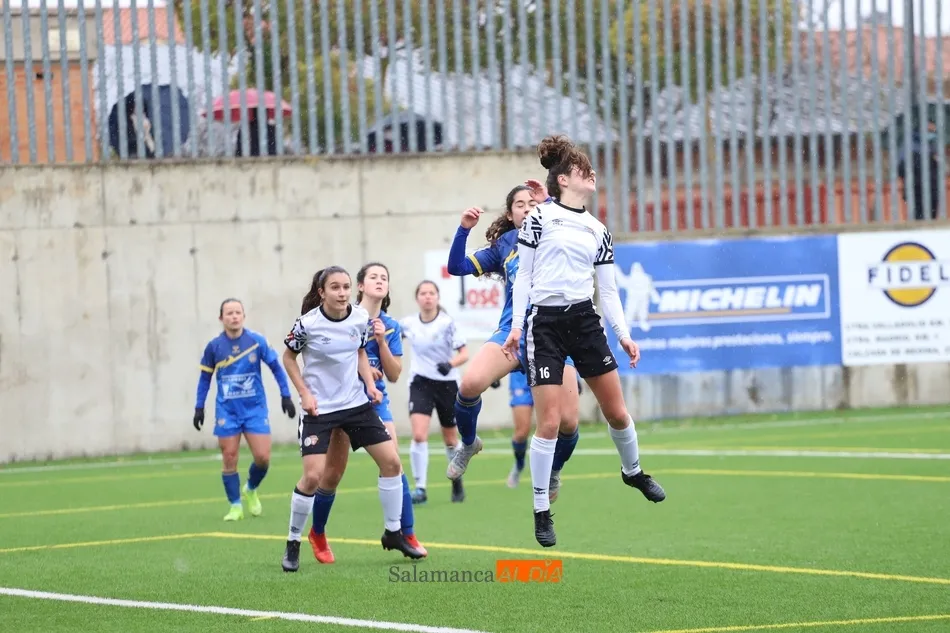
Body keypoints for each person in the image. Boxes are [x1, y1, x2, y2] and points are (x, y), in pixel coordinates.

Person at [503, 135, 667, 548]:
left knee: (617, 413)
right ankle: (541, 509)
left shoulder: (598, 229)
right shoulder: (540, 218)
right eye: (582, 170)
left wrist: (624, 335)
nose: (591, 174)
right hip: (544, 323)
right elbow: (524, 276)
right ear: (563, 179)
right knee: (550, 423)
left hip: (584, 320)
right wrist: (518, 326)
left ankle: (633, 472)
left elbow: (607, 291)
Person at [279, 267, 425, 572]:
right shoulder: (308, 324)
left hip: (356, 405)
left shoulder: (360, 319)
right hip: (320, 410)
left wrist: (370, 385)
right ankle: (293, 542)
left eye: (345, 287)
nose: (342, 292)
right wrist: (304, 393)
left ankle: (394, 531)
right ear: (322, 292)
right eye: (335, 287)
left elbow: (359, 352)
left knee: (392, 463)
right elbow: (288, 358)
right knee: (314, 478)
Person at [445, 184, 581, 503]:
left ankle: (554, 469)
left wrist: (550, 201)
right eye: (520, 204)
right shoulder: (505, 244)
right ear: (510, 214)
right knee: (469, 385)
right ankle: (469, 443)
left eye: (533, 203)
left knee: (568, 422)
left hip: (557, 335)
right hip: (513, 333)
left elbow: (576, 221)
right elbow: (456, 267)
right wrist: (464, 229)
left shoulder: (559, 233)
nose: (527, 208)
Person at [194, 298, 296, 521]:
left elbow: (277, 367)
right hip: (227, 411)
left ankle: (250, 488)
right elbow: (204, 379)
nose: (234, 316)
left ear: (243, 316)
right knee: (229, 457)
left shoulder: (256, 341)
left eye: (237, 312)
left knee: (262, 457)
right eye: (229, 313)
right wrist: (199, 407)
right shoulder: (214, 347)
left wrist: (286, 395)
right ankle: (235, 506)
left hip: (254, 409)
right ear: (221, 318)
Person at [399, 281, 469, 504]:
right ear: (417, 298)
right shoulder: (408, 324)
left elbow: (464, 354)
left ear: (438, 297)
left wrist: (450, 364)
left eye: (431, 293)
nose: (427, 297)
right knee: (419, 435)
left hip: (447, 385)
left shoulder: (447, 323)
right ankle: (420, 489)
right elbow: (389, 338)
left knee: (450, 439)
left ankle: (457, 480)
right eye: (423, 293)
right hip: (420, 382)